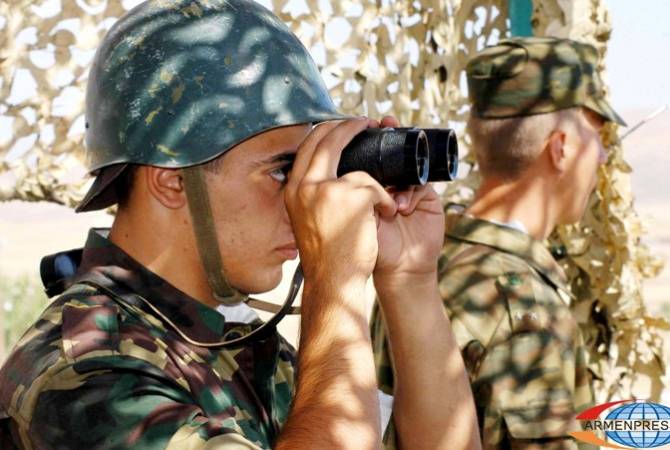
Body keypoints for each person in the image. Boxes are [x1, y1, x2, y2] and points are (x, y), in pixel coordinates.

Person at [0, 0, 480, 449]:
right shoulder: (89, 372)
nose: (303, 202)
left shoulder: (228, 339)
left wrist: (409, 280)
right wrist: (334, 284)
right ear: (170, 180)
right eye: (281, 172)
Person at [371, 36, 627, 450]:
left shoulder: (420, 257)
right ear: (560, 149)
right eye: (597, 136)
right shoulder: (523, 308)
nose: (601, 156)